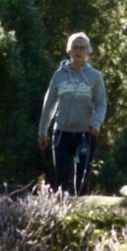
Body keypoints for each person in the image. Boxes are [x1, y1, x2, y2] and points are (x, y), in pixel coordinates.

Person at [39, 32, 107, 194]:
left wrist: (97, 123)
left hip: (86, 133)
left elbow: (101, 103)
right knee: (62, 180)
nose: (78, 51)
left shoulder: (95, 76)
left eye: (82, 48)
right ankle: (63, 216)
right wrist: (42, 132)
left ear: (88, 51)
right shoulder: (59, 75)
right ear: (69, 51)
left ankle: (82, 216)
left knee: (82, 182)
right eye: (75, 48)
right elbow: (49, 105)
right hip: (62, 132)